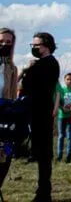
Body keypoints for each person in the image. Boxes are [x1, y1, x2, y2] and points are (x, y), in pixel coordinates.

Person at [19, 32, 60, 202]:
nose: (34, 48)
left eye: (36, 45)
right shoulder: (44, 64)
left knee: (43, 154)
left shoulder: (47, 64)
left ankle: (44, 192)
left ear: (46, 46)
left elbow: (23, 85)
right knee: (40, 152)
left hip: (40, 113)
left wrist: (25, 70)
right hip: (35, 112)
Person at [0, 28, 19, 191]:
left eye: (8, 42)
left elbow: (12, 97)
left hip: (5, 118)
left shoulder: (12, 68)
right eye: (1, 41)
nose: (4, 44)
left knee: (6, 155)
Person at [55, 72, 71, 163]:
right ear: (64, 80)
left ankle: (68, 157)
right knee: (61, 136)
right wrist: (62, 108)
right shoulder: (61, 90)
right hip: (61, 116)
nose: (69, 81)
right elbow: (57, 101)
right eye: (67, 79)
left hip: (70, 116)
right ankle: (59, 156)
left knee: (70, 137)